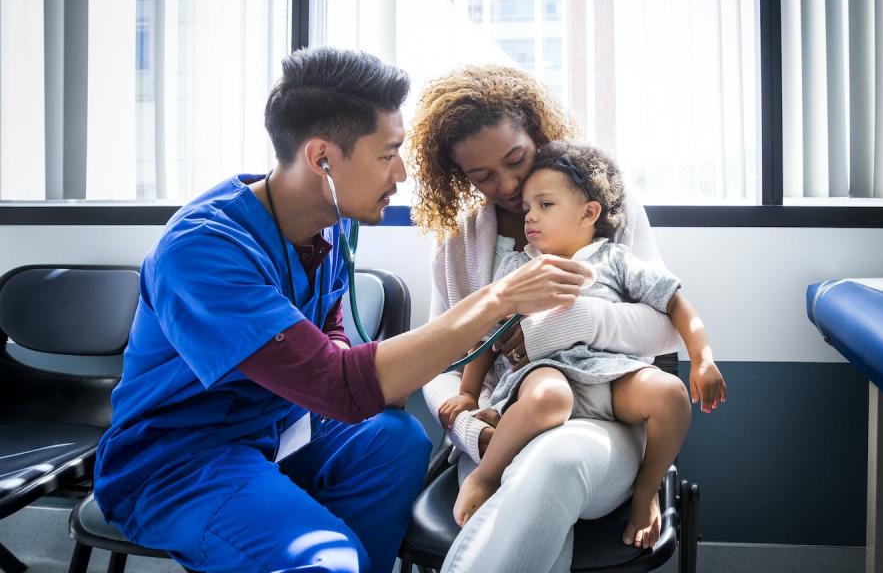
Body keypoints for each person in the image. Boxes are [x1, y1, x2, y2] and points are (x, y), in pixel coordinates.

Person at [93, 48, 591, 573]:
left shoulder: (333, 218)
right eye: (388, 154)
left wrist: (340, 356)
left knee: (396, 441)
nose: (401, 173)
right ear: (322, 159)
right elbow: (339, 388)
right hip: (181, 459)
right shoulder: (202, 252)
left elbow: (329, 328)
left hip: (280, 428)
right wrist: (498, 299)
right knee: (330, 560)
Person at [409, 65, 697, 573]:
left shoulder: (606, 210)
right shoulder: (458, 244)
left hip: (603, 418)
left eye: (515, 159)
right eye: (482, 176)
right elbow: (443, 362)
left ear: (536, 133)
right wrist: (472, 431)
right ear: (460, 177)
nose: (507, 184)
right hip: (502, 426)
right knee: (540, 499)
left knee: (558, 461)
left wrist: (571, 321)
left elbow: (665, 327)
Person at [448, 141, 728, 547]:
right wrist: (468, 394)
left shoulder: (615, 260)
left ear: (589, 212)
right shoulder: (519, 266)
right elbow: (489, 336)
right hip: (544, 375)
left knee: (670, 394)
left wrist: (703, 358)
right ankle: (485, 476)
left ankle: (646, 492)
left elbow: (676, 303)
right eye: (527, 209)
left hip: (610, 378)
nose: (530, 217)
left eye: (545, 205)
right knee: (550, 397)